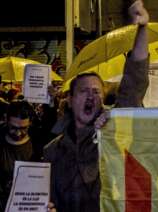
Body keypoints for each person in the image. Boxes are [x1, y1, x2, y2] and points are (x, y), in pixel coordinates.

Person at [43, 1, 149, 211]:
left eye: (96, 92)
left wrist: (143, 28)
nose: (91, 96)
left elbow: (134, 81)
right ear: (70, 101)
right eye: (84, 91)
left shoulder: (114, 136)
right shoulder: (52, 150)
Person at [0, 100, 36, 211]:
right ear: (6, 119)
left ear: (30, 123)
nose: (18, 133)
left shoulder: (39, 142)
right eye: (13, 128)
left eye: (23, 128)